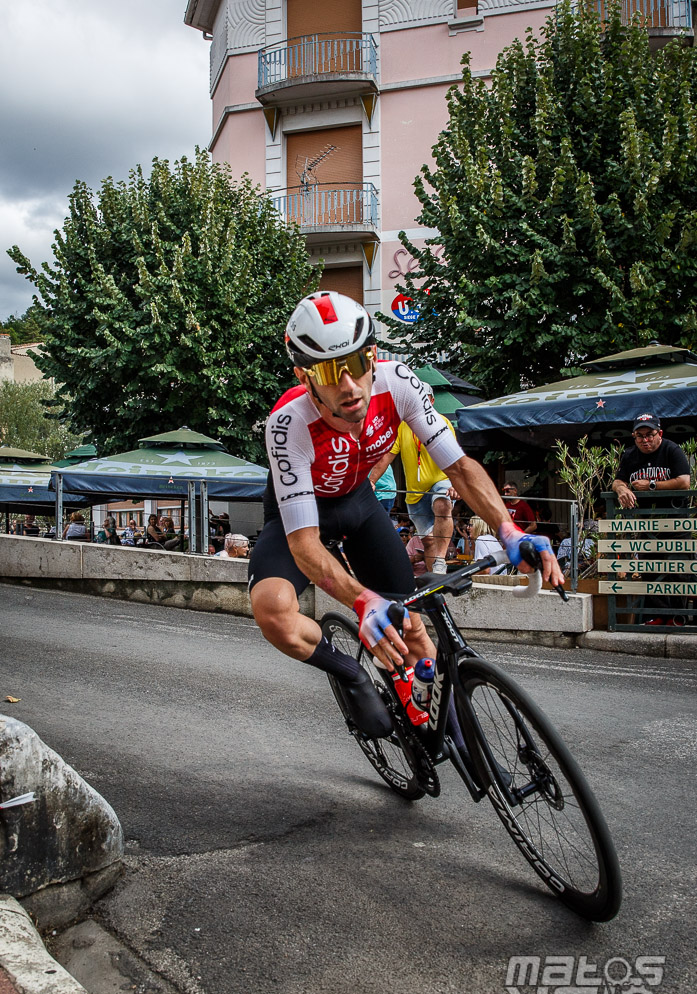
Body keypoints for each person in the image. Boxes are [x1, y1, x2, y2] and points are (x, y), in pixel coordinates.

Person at [247, 291, 562, 741]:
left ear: (373, 355)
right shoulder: (288, 423)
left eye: (358, 363)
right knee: (273, 610)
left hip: (357, 503)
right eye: (330, 373)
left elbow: (459, 467)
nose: (350, 385)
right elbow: (304, 545)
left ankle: (450, 727)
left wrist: (507, 528)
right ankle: (352, 674)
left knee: (411, 627)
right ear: (304, 376)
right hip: (301, 515)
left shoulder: (397, 383)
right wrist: (362, 601)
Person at [370, 383, 457, 574]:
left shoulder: (442, 422)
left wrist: (455, 483)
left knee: (443, 504)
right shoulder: (402, 426)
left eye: (423, 399)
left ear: (432, 401)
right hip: (414, 492)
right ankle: (434, 577)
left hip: (439, 480)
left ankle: (441, 560)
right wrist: (372, 480)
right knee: (427, 540)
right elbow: (387, 457)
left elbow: (455, 456)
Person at [612, 413, 690, 625]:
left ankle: (678, 618)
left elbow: (684, 482)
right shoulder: (630, 455)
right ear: (634, 436)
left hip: (675, 522)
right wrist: (621, 489)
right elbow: (617, 480)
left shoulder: (671, 450)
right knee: (650, 568)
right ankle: (658, 616)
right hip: (648, 524)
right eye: (640, 435)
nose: (645, 440)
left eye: (649, 434)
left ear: (659, 434)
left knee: (678, 570)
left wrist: (653, 486)